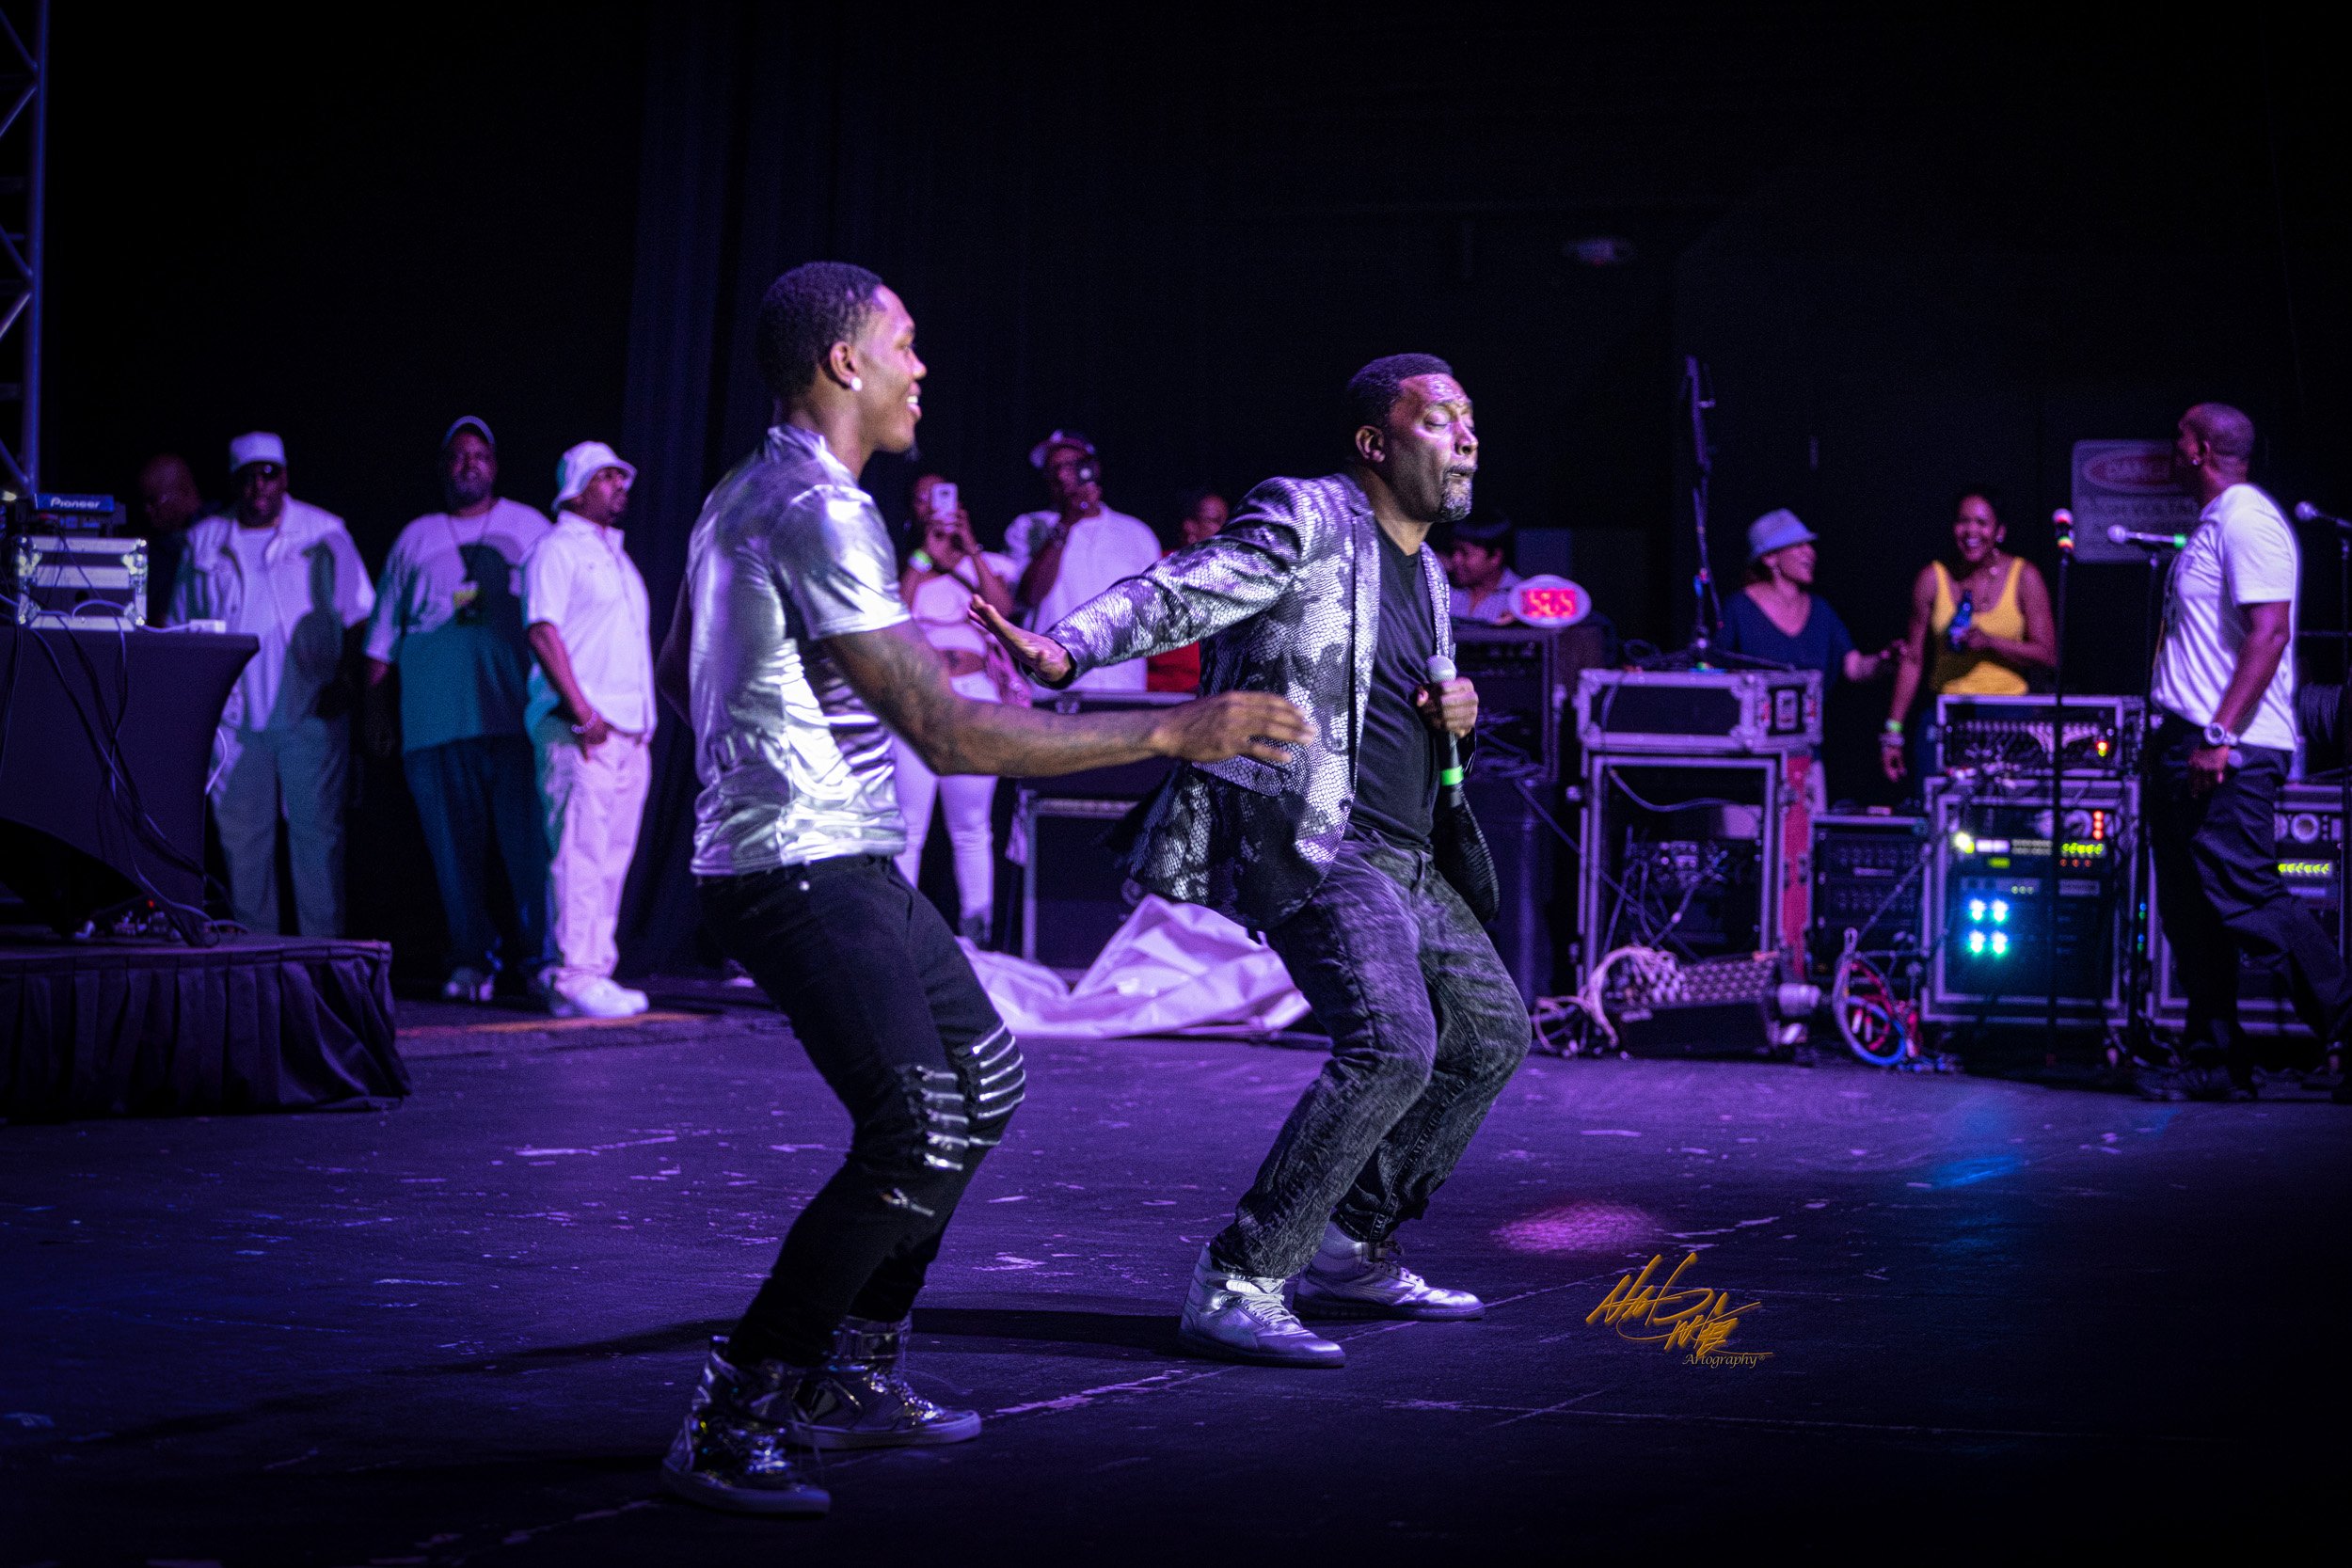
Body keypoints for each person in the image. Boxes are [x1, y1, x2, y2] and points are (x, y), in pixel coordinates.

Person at [651, 261, 1305, 1515]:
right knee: (915, 1129)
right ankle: (735, 1414)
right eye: (903, 342)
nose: (921, 367)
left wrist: (775, 738)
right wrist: (1176, 728)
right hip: (797, 862)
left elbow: (687, 666)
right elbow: (950, 735)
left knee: (986, 1079)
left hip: (829, 848)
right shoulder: (819, 508)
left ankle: (850, 1376)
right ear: (844, 360)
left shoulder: (747, 490)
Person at [980, 354, 1528, 1371]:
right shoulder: (1307, 515)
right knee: (1391, 1043)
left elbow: (1400, 695)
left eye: (1470, 419)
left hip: (1409, 848)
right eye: (1440, 419)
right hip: (1317, 836)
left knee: (1492, 1033)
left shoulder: (1431, 574)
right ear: (1375, 443)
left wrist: (1457, 713)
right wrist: (1066, 649)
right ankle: (1239, 1276)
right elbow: (1183, 589)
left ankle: (1351, 1242)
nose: (1467, 437)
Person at [2139, 402, 2352, 1102]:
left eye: (2178, 436)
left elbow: (2271, 633)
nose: (2171, 447)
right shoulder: (2212, 524)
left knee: (2249, 898)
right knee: (2191, 908)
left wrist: (2219, 735)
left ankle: (2347, 1026)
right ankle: (2216, 1057)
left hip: (2230, 745)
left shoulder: (2246, 517)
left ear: (2200, 449)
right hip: (2184, 741)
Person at [363, 418, 553, 1002]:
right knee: (453, 856)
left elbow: (564, 618)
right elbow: (380, 642)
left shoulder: (530, 528)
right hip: (434, 724)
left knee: (530, 851)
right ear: (443, 467)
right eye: (458, 455)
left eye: (479, 455)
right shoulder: (414, 538)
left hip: (514, 718)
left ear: (495, 466)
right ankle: (471, 958)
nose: (469, 464)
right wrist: (376, 712)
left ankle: (542, 959)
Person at [167, 433, 373, 936]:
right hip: (232, 718)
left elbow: (359, 615)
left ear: (284, 477)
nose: (259, 485)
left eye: (269, 473)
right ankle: (255, 959)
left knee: (318, 841)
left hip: (310, 710)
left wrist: (347, 682)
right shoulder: (204, 541)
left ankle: (322, 960)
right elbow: (179, 628)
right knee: (243, 845)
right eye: (248, 475)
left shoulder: (324, 531)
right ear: (234, 481)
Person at [523, 441, 653, 1021]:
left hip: (626, 731)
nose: (619, 486)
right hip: (582, 729)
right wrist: (583, 712)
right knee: (579, 853)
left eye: (621, 477)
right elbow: (542, 631)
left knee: (609, 858)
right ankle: (575, 973)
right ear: (576, 488)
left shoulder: (617, 558)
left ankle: (587, 971)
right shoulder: (557, 549)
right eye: (606, 477)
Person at [894, 472, 1024, 942]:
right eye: (922, 498)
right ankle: (903, 936)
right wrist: (924, 556)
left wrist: (967, 549)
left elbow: (1004, 611)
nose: (933, 506)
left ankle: (977, 936)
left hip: (973, 696)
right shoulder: (906, 567)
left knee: (971, 827)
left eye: (940, 497)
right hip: (918, 698)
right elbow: (891, 623)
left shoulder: (985, 564)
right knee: (908, 826)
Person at [1881, 489, 2056, 784]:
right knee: (1938, 802)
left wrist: (1990, 642)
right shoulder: (1932, 577)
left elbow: (2048, 655)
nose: (1971, 531)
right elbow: (1912, 660)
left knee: (2003, 805)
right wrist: (1893, 732)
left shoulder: (2024, 576)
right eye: (1963, 522)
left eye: (1981, 523)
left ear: (1999, 532)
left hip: (2009, 715)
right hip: (1947, 713)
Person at [1003, 430, 1159, 691]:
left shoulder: (1136, 533)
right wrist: (1066, 523)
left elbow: (1151, 612)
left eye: (1070, 465)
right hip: (1054, 683)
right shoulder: (1029, 526)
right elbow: (1029, 595)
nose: (1061, 475)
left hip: (1121, 682)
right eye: (1053, 469)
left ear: (1092, 468)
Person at [1144, 488, 1228, 692]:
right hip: (1166, 696)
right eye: (1216, 521)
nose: (1226, 529)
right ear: (1190, 526)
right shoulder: (1159, 569)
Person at [135, 453, 213, 626]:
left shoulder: (214, 537)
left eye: (153, 501)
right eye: (143, 503)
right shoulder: (157, 544)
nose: (147, 510)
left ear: (184, 492)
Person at [1443, 510, 1522, 624]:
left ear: (1495, 557)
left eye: (1465, 553)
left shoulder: (1522, 598)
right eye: (1453, 551)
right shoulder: (1445, 592)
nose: (1455, 559)